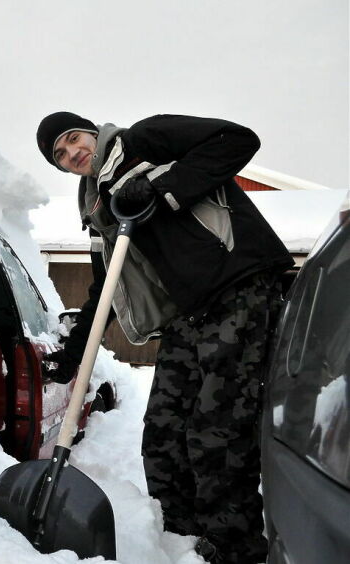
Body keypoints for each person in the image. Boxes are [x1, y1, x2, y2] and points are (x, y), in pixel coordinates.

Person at [37, 112, 293, 564]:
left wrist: (160, 188)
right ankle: (177, 538)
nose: (73, 153)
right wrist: (73, 353)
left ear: (92, 132)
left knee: (218, 431)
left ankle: (236, 549)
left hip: (239, 288)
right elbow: (106, 288)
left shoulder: (145, 139)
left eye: (73, 139)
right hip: (187, 314)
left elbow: (237, 140)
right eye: (61, 155)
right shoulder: (98, 208)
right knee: (163, 432)